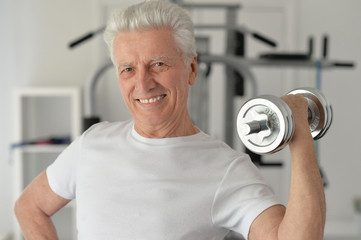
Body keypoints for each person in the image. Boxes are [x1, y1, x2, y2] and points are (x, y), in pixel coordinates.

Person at [14, 1, 326, 239]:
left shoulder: (226, 169)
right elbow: (30, 206)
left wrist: (300, 135)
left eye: (158, 64)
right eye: (128, 69)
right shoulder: (92, 143)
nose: (143, 84)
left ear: (191, 69)